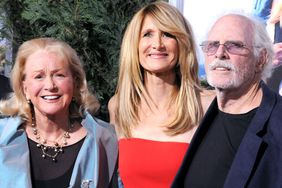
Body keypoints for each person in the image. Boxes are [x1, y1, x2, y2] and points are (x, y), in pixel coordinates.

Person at [108, 1, 214, 187]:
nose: (157, 44)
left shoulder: (206, 105)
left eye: (167, 34)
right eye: (147, 34)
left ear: (182, 43)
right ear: (135, 44)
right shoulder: (119, 106)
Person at [172, 12, 282, 188]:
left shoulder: (278, 125)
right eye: (213, 45)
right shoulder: (204, 114)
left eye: (234, 46)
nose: (220, 53)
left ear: (261, 59)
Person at [0, 38, 118, 188]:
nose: (50, 85)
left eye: (59, 75)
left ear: (75, 83)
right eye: (39, 76)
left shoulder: (104, 141)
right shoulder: (3, 138)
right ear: (25, 88)